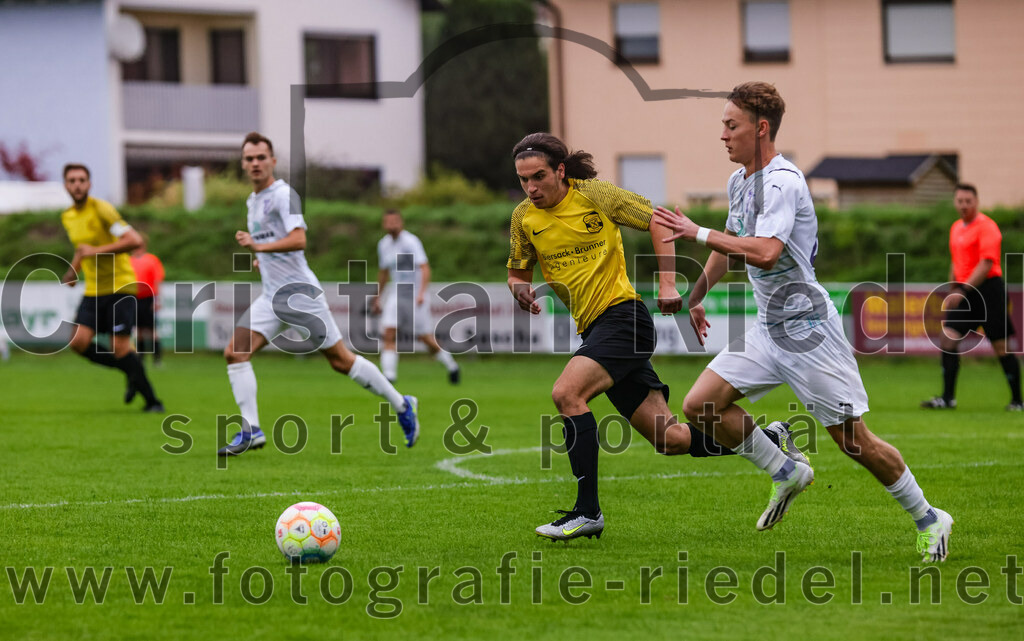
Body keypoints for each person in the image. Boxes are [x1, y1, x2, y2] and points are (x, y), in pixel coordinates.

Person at [653, 81, 953, 562]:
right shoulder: (739, 182)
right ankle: (786, 471)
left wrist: (696, 231)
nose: (723, 135)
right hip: (768, 329)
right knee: (702, 406)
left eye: (732, 125)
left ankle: (928, 517)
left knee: (853, 440)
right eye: (723, 125)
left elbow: (767, 253)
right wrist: (696, 295)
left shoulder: (784, 181)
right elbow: (732, 244)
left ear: (761, 127)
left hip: (808, 332)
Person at [506, 132, 807, 541]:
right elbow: (518, 270)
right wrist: (519, 288)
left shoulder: (594, 194)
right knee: (671, 439)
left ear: (560, 170)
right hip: (595, 328)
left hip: (623, 318)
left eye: (538, 176)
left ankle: (586, 511)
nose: (531, 187)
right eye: (523, 180)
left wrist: (668, 284)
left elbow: (659, 220)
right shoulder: (523, 217)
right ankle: (769, 438)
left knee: (566, 394)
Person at [219, 132, 420, 456]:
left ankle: (402, 404)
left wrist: (259, 246)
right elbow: (276, 242)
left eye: (260, 157)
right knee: (235, 353)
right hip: (272, 297)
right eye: (249, 158)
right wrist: (263, 257)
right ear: (243, 164)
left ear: (272, 161)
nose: (255, 163)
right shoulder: (253, 201)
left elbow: (299, 239)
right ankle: (251, 430)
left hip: (300, 296)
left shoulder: (284, 195)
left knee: (341, 362)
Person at [59, 163, 164, 412]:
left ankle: (153, 402)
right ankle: (130, 368)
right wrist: (74, 270)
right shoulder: (68, 217)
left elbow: (133, 240)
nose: (77, 184)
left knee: (120, 348)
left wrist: (94, 251)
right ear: (65, 185)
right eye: (72, 180)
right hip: (94, 289)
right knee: (78, 342)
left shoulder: (103, 209)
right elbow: (82, 248)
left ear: (89, 184)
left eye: (81, 180)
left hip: (121, 286)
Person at [920, 184, 1021, 411]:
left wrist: (963, 290)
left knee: (1001, 348)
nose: (964, 205)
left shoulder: (987, 227)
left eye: (968, 201)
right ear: (955, 202)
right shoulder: (956, 228)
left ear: (976, 202)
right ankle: (947, 398)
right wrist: (953, 287)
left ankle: (1017, 401)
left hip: (988, 291)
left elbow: (986, 264)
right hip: (964, 291)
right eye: (960, 201)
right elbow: (956, 262)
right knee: (947, 339)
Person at [370, 209, 460, 384]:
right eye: (388, 222)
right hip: (396, 292)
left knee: (424, 338)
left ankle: (451, 366)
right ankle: (389, 376)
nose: (391, 225)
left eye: (394, 221)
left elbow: (424, 268)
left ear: (401, 222)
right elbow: (383, 272)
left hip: (414, 294)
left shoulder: (411, 242)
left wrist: (421, 293)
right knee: (388, 332)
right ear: (384, 224)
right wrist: (377, 296)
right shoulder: (383, 244)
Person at [129, 233, 165, 367]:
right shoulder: (128, 261)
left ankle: (157, 360)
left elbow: (157, 280)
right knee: (138, 331)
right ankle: (141, 359)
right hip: (133, 297)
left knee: (152, 330)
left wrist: (157, 300)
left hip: (148, 298)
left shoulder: (152, 260)